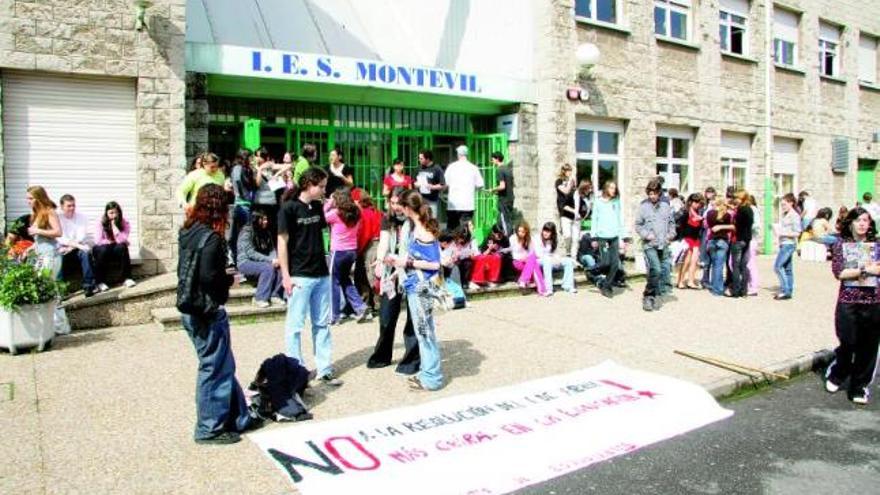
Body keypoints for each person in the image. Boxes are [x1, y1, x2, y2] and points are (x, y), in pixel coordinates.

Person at [177, 184, 260, 445]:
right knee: (214, 368)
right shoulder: (212, 238)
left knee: (223, 365)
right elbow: (209, 277)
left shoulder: (189, 231)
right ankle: (209, 428)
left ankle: (239, 417)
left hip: (191, 309)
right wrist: (227, 283)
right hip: (206, 311)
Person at [277, 166, 343, 387]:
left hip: (321, 273)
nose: (324, 190)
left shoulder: (316, 207)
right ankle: (296, 370)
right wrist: (286, 275)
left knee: (322, 324)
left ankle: (324, 368)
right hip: (299, 275)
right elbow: (282, 242)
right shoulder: (288, 208)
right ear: (308, 185)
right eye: (321, 186)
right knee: (295, 326)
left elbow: (322, 232)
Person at [824, 207, 880, 405]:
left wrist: (867, 270)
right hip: (849, 300)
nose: (862, 224)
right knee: (848, 341)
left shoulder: (877, 244)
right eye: (858, 220)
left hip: (873, 301)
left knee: (869, 347)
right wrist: (866, 269)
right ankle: (838, 372)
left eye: (866, 220)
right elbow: (839, 272)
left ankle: (859, 386)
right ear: (850, 223)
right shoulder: (841, 244)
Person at [393, 190, 444, 391]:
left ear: (407, 208)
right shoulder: (418, 227)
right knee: (423, 331)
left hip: (422, 287)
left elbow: (434, 264)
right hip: (416, 285)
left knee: (425, 332)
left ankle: (432, 377)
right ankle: (427, 372)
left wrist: (407, 262)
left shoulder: (423, 231)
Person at [366, 187, 421, 373]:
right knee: (386, 317)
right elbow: (383, 241)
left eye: (399, 203)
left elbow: (415, 248)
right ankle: (382, 356)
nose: (396, 207)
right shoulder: (387, 219)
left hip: (411, 271)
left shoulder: (415, 220)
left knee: (413, 319)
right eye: (393, 202)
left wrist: (402, 264)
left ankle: (411, 361)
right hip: (392, 272)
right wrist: (380, 260)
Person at [324, 188, 370, 324]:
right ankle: (360, 307)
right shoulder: (357, 212)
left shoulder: (335, 213)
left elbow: (322, 217)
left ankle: (334, 316)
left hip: (338, 251)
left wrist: (329, 203)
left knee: (333, 282)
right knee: (345, 279)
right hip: (351, 250)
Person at [635, 179, 676, 311]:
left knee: (660, 270)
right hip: (649, 244)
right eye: (650, 193)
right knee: (656, 268)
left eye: (654, 193)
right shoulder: (643, 207)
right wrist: (646, 235)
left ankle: (655, 289)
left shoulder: (666, 207)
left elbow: (671, 223)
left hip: (662, 243)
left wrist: (671, 235)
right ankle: (648, 296)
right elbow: (638, 225)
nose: (652, 196)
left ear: (659, 193)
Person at [236, 210, 284, 308]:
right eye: (263, 219)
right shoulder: (247, 231)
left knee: (282, 266)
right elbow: (250, 253)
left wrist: (275, 259)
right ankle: (260, 298)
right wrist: (270, 260)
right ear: (257, 220)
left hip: (262, 261)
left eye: (266, 219)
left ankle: (275, 295)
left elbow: (271, 249)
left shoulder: (266, 232)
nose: (266, 221)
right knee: (267, 268)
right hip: (245, 262)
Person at [590, 180, 627, 298]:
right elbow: (594, 219)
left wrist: (623, 237)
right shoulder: (598, 202)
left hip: (614, 236)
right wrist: (593, 237)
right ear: (606, 188)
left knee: (615, 264)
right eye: (611, 188)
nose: (613, 190)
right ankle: (591, 270)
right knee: (605, 262)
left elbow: (620, 218)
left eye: (614, 188)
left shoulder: (616, 201)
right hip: (602, 236)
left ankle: (606, 285)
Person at [57, 194, 97, 297]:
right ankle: (61, 290)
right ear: (62, 207)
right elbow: (60, 237)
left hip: (77, 247)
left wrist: (73, 246)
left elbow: (82, 235)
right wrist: (69, 245)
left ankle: (88, 286)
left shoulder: (81, 217)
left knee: (86, 253)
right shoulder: (58, 218)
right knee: (58, 257)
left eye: (73, 205)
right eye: (69, 206)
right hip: (63, 248)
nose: (72, 208)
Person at [93, 201, 135, 290]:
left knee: (123, 247)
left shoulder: (124, 222)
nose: (114, 215)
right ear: (106, 213)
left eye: (116, 212)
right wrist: (109, 241)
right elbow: (98, 241)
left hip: (115, 246)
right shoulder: (100, 222)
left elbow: (122, 240)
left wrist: (115, 229)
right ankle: (100, 282)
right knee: (103, 250)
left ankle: (127, 278)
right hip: (102, 248)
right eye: (111, 213)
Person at [353, 189, 382, 317]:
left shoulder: (363, 213)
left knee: (366, 276)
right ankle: (377, 305)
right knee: (374, 275)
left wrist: (357, 250)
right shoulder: (375, 211)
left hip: (369, 245)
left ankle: (370, 304)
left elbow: (364, 234)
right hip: (378, 243)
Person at [444, 145, 484, 232]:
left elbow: (445, 183)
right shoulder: (473, 168)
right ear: (467, 154)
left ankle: (451, 245)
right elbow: (480, 184)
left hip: (453, 204)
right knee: (466, 229)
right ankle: (467, 245)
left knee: (452, 229)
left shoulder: (451, 167)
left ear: (458, 155)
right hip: (468, 204)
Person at [26, 186, 63, 277]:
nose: (28, 201)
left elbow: (58, 232)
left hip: (50, 255)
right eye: (27, 198)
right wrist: (31, 247)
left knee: (46, 284)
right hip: (41, 255)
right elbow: (42, 238)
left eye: (31, 198)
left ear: (39, 198)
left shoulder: (49, 212)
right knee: (40, 283)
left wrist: (37, 230)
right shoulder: (36, 214)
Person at [230, 148, 256, 264]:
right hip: (242, 205)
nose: (252, 159)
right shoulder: (237, 168)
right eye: (250, 157)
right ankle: (239, 259)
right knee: (242, 233)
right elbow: (237, 183)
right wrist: (243, 196)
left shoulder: (245, 169)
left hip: (246, 204)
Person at [773, 193, 802, 300]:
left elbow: (797, 232)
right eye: (781, 205)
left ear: (791, 203)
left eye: (784, 204)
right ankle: (788, 290)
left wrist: (782, 232)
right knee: (788, 269)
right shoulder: (786, 214)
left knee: (778, 267)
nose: (782, 207)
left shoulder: (794, 216)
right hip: (784, 243)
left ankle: (785, 290)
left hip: (788, 244)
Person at [537, 222, 577, 295]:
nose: (545, 233)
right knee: (547, 261)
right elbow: (538, 254)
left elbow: (562, 251)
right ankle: (548, 289)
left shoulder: (557, 238)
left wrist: (557, 258)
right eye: (544, 230)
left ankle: (568, 286)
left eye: (548, 231)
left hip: (554, 260)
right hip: (541, 260)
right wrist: (551, 257)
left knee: (568, 261)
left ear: (552, 233)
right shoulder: (538, 238)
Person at [509, 221, 548, 296]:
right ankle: (542, 289)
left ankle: (524, 281)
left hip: (528, 262)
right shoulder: (513, 238)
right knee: (533, 262)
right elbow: (514, 254)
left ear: (526, 231)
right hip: (517, 262)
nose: (520, 233)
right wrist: (523, 258)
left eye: (523, 231)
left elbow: (532, 252)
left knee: (533, 261)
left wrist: (527, 258)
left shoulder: (530, 239)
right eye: (519, 231)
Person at [706, 197, 734, 296]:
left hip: (712, 240)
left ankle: (715, 287)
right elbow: (730, 229)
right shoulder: (727, 215)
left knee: (714, 265)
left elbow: (709, 226)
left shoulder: (709, 214)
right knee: (719, 266)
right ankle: (718, 289)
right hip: (723, 241)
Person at [729, 191, 754, 298]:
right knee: (744, 265)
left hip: (738, 239)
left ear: (742, 199)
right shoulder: (749, 209)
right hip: (747, 239)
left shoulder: (741, 210)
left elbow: (736, 226)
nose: (735, 200)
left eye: (737, 198)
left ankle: (736, 290)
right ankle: (744, 290)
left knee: (736, 266)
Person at [253, 147, 282, 239]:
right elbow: (257, 183)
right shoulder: (254, 168)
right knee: (260, 227)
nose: (256, 158)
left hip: (272, 202)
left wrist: (276, 174)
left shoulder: (270, 167)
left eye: (258, 156)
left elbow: (288, 166)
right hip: (260, 202)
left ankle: (272, 248)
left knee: (272, 226)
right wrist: (260, 169)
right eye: (256, 156)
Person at [676, 193, 704, 290]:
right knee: (685, 261)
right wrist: (681, 239)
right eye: (695, 202)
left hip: (696, 239)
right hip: (687, 239)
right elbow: (680, 226)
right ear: (691, 202)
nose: (697, 204)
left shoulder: (699, 212)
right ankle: (680, 281)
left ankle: (691, 281)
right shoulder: (685, 212)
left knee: (694, 261)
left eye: (699, 202)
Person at [487, 152, 515, 237]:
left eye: (492, 159)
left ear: (497, 159)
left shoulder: (499, 170)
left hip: (504, 200)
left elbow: (502, 186)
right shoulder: (508, 169)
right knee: (504, 221)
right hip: (510, 198)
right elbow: (510, 186)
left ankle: (508, 240)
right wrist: (497, 192)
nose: (492, 161)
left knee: (505, 222)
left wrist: (492, 189)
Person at [415, 149, 446, 219]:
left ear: (428, 159)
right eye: (419, 158)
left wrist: (433, 187)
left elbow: (443, 185)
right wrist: (416, 184)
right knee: (421, 219)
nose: (419, 160)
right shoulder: (419, 168)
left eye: (421, 158)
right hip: (421, 199)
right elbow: (414, 181)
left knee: (432, 219)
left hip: (432, 200)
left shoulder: (437, 169)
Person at [555, 164, 577, 255]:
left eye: (570, 170)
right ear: (563, 171)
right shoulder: (558, 181)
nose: (570, 173)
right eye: (568, 170)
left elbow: (574, 192)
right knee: (567, 234)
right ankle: (567, 253)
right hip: (564, 209)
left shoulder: (571, 181)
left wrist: (574, 184)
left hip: (573, 208)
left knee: (574, 236)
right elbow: (566, 191)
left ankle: (573, 253)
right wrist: (570, 184)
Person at [699, 186, 718, 288]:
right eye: (707, 193)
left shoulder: (715, 204)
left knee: (713, 257)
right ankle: (705, 279)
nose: (709, 195)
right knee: (706, 257)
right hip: (705, 232)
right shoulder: (705, 205)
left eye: (710, 192)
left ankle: (713, 280)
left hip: (713, 232)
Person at [746, 194, 762, 296]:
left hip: (752, 239)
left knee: (751, 263)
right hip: (748, 238)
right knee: (747, 262)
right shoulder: (749, 209)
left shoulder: (753, 209)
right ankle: (749, 284)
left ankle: (754, 286)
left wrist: (745, 226)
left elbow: (757, 225)